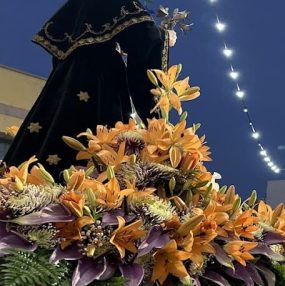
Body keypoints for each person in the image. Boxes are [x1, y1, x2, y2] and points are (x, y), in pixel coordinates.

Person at [3, 0, 171, 175]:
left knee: (46, 144)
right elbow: (144, 39)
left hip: (63, 84)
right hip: (99, 83)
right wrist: (156, 123)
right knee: (100, 159)